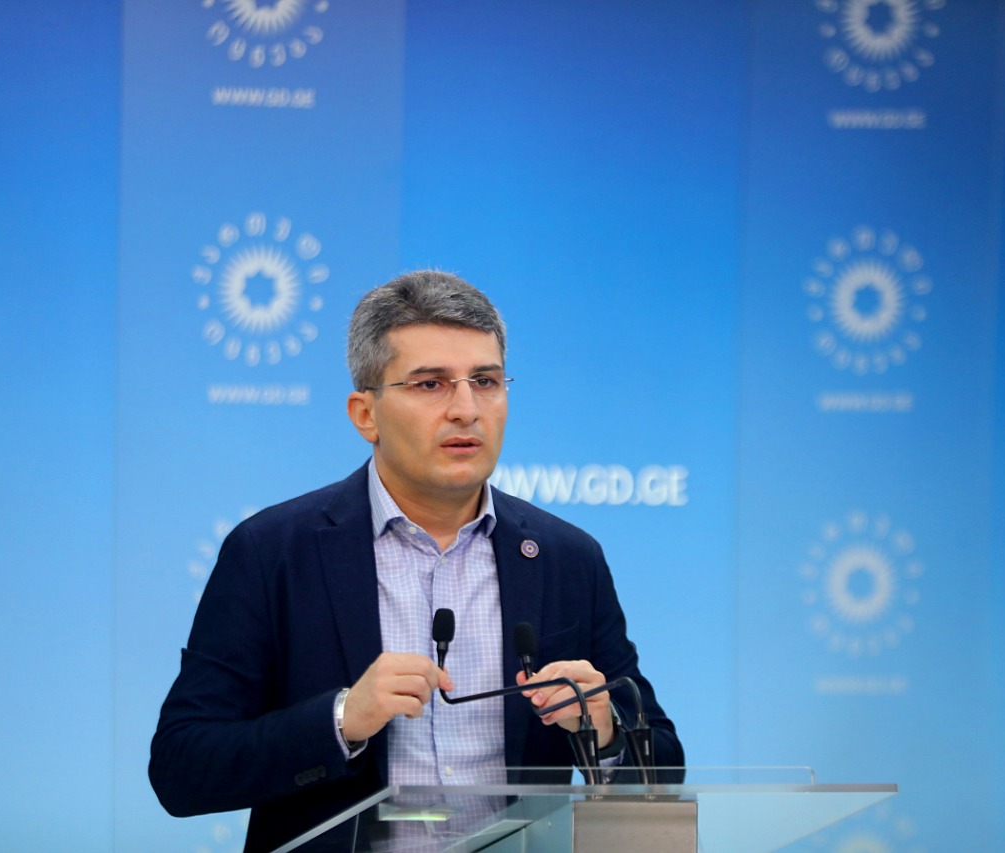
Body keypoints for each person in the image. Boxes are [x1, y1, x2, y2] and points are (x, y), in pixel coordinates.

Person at [149, 270, 683, 852]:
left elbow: (663, 767)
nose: (466, 409)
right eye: (431, 384)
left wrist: (604, 729)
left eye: (485, 381)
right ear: (365, 414)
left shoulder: (566, 558)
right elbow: (182, 767)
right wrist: (342, 719)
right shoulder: (273, 551)